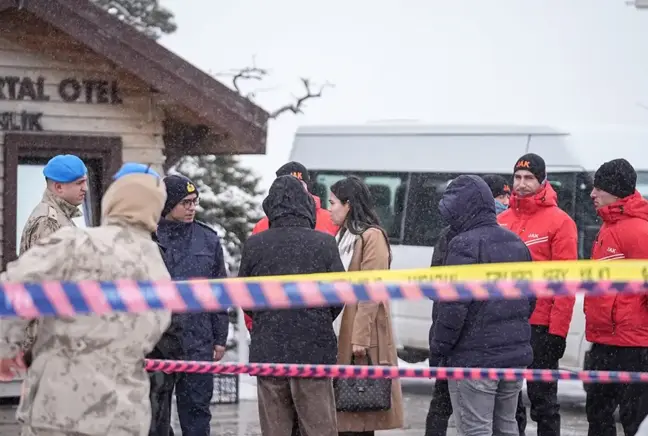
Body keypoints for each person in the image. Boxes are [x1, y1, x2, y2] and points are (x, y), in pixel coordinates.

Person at [0, 162, 172, 436]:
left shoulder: (76, 244)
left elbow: (14, 288)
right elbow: (152, 332)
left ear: (113, 201)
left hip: (60, 403)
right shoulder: (158, 268)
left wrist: (5, 350)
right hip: (123, 412)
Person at [238, 175, 344, 436]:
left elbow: (244, 296)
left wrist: (267, 319)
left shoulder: (255, 245)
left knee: (276, 428)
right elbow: (339, 296)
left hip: (269, 349)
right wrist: (316, 318)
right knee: (319, 427)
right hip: (313, 349)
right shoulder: (324, 243)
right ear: (306, 206)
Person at [429, 175, 534, 436]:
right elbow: (530, 298)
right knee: (507, 425)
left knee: (475, 428)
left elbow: (452, 308)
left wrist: (439, 349)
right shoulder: (516, 242)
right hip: (513, 355)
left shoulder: (463, 244)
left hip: (473, 356)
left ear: (462, 208)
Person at [498, 153, 578, 436]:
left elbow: (566, 283)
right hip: (506, 324)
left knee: (544, 403)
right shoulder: (502, 220)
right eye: (517, 178)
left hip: (541, 327)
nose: (521, 184)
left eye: (529, 178)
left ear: (542, 180)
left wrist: (558, 332)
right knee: (509, 403)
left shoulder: (560, 222)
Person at [328, 175, 404, 436]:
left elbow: (371, 291)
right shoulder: (342, 236)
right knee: (347, 410)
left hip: (362, 335)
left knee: (361, 411)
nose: (330, 209)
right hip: (341, 331)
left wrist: (359, 339)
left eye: (333, 202)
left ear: (348, 204)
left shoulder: (372, 236)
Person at [156, 174, 230, 436]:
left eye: (194, 202)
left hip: (197, 341)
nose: (191, 208)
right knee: (156, 416)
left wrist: (220, 338)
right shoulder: (149, 238)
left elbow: (219, 291)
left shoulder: (207, 239)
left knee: (197, 414)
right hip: (158, 342)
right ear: (167, 203)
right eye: (185, 202)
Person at [585, 158, 648, 436]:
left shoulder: (639, 230)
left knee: (633, 418)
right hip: (603, 340)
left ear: (616, 191)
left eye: (599, 188)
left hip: (633, 345)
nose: (592, 194)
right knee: (597, 414)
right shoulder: (608, 225)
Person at [246, 161, 339, 331]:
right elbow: (250, 283)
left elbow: (340, 282)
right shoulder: (262, 226)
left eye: (300, 184)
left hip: (316, 323)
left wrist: (324, 318)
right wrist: (256, 324)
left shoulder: (332, 220)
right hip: (275, 323)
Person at [18, 153, 88, 367]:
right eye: (79, 183)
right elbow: (47, 284)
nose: (85, 188)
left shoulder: (61, 218)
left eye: (85, 182)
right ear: (58, 188)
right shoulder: (48, 221)